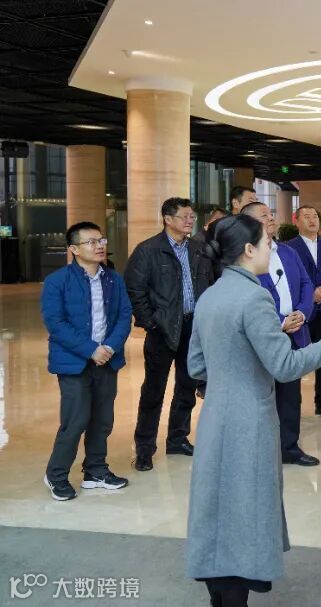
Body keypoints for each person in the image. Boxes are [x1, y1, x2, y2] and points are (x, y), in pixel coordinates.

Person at [185, 213, 321, 607]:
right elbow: (284, 366)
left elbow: (197, 366)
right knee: (245, 510)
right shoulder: (255, 298)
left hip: (215, 418)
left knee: (217, 509)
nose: (272, 249)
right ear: (249, 250)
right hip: (249, 420)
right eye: (268, 243)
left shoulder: (211, 295)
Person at [41, 222, 132, 501]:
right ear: (74, 249)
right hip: (73, 361)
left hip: (107, 360)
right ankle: (56, 475)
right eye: (91, 242)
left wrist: (109, 347)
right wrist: (91, 350)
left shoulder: (113, 279)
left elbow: (124, 316)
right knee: (76, 419)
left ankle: (95, 471)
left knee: (103, 420)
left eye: (101, 240)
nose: (99, 246)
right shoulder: (57, 281)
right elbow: (55, 323)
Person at [126, 197, 213, 471]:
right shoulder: (148, 250)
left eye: (192, 216)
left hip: (194, 327)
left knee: (187, 386)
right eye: (184, 216)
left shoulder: (199, 249)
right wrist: (150, 322)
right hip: (162, 329)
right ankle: (144, 448)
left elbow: (210, 283)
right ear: (167, 219)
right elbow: (135, 290)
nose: (190, 221)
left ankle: (177, 438)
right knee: (153, 390)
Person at [240, 202, 320, 466]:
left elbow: (306, 283)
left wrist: (302, 314)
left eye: (271, 213)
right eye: (263, 215)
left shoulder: (287, 251)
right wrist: (279, 321)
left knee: (290, 395)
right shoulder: (244, 257)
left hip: (295, 330)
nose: (271, 217)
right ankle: (259, 450)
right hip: (264, 334)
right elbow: (248, 299)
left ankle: (289, 448)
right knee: (261, 394)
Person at [285, 205, 321, 417]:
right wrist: (310, 293)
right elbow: (290, 278)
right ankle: (292, 404)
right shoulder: (288, 248)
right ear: (296, 221)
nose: (312, 220)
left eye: (315, 216)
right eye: (307, 217)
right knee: (295, 357)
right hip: (300, 311)